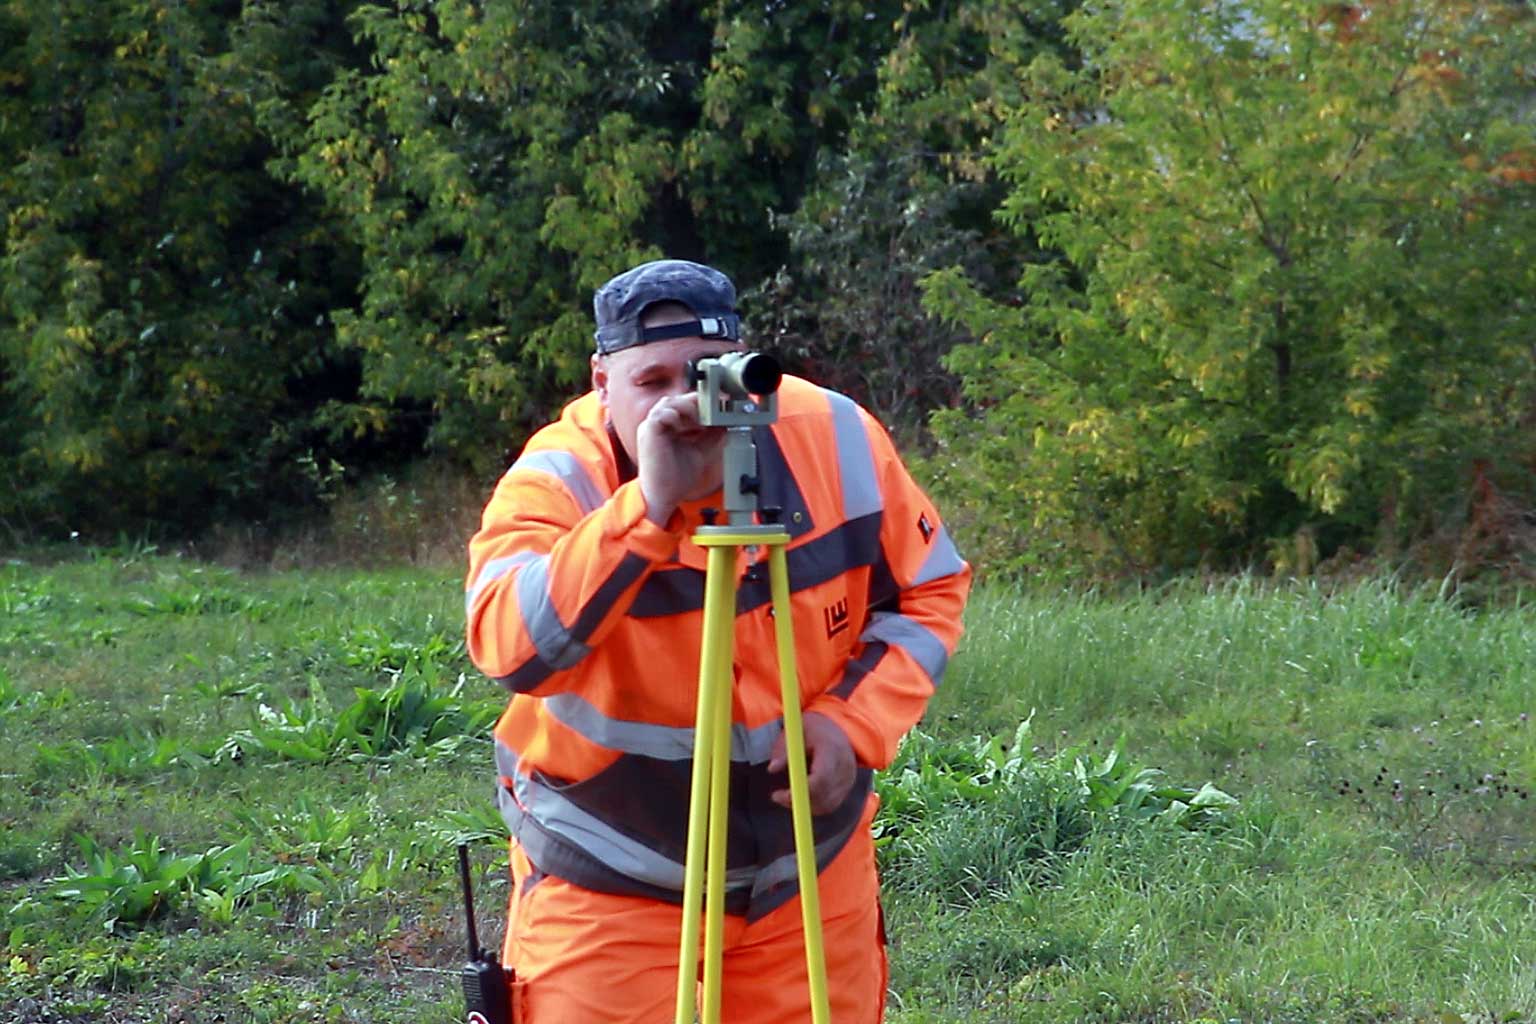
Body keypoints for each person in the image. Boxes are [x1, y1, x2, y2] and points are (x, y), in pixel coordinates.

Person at [465, 258, 971, 1023]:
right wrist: (650, 506)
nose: (683, 406)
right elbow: (508, 646)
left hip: (805, 870)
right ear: (602, 383)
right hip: (613, 877)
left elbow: (929, 587)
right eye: (652, 381)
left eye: (706, 375)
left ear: (746, 369)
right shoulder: (559, 480)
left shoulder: (833, 437)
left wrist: (850, 723)